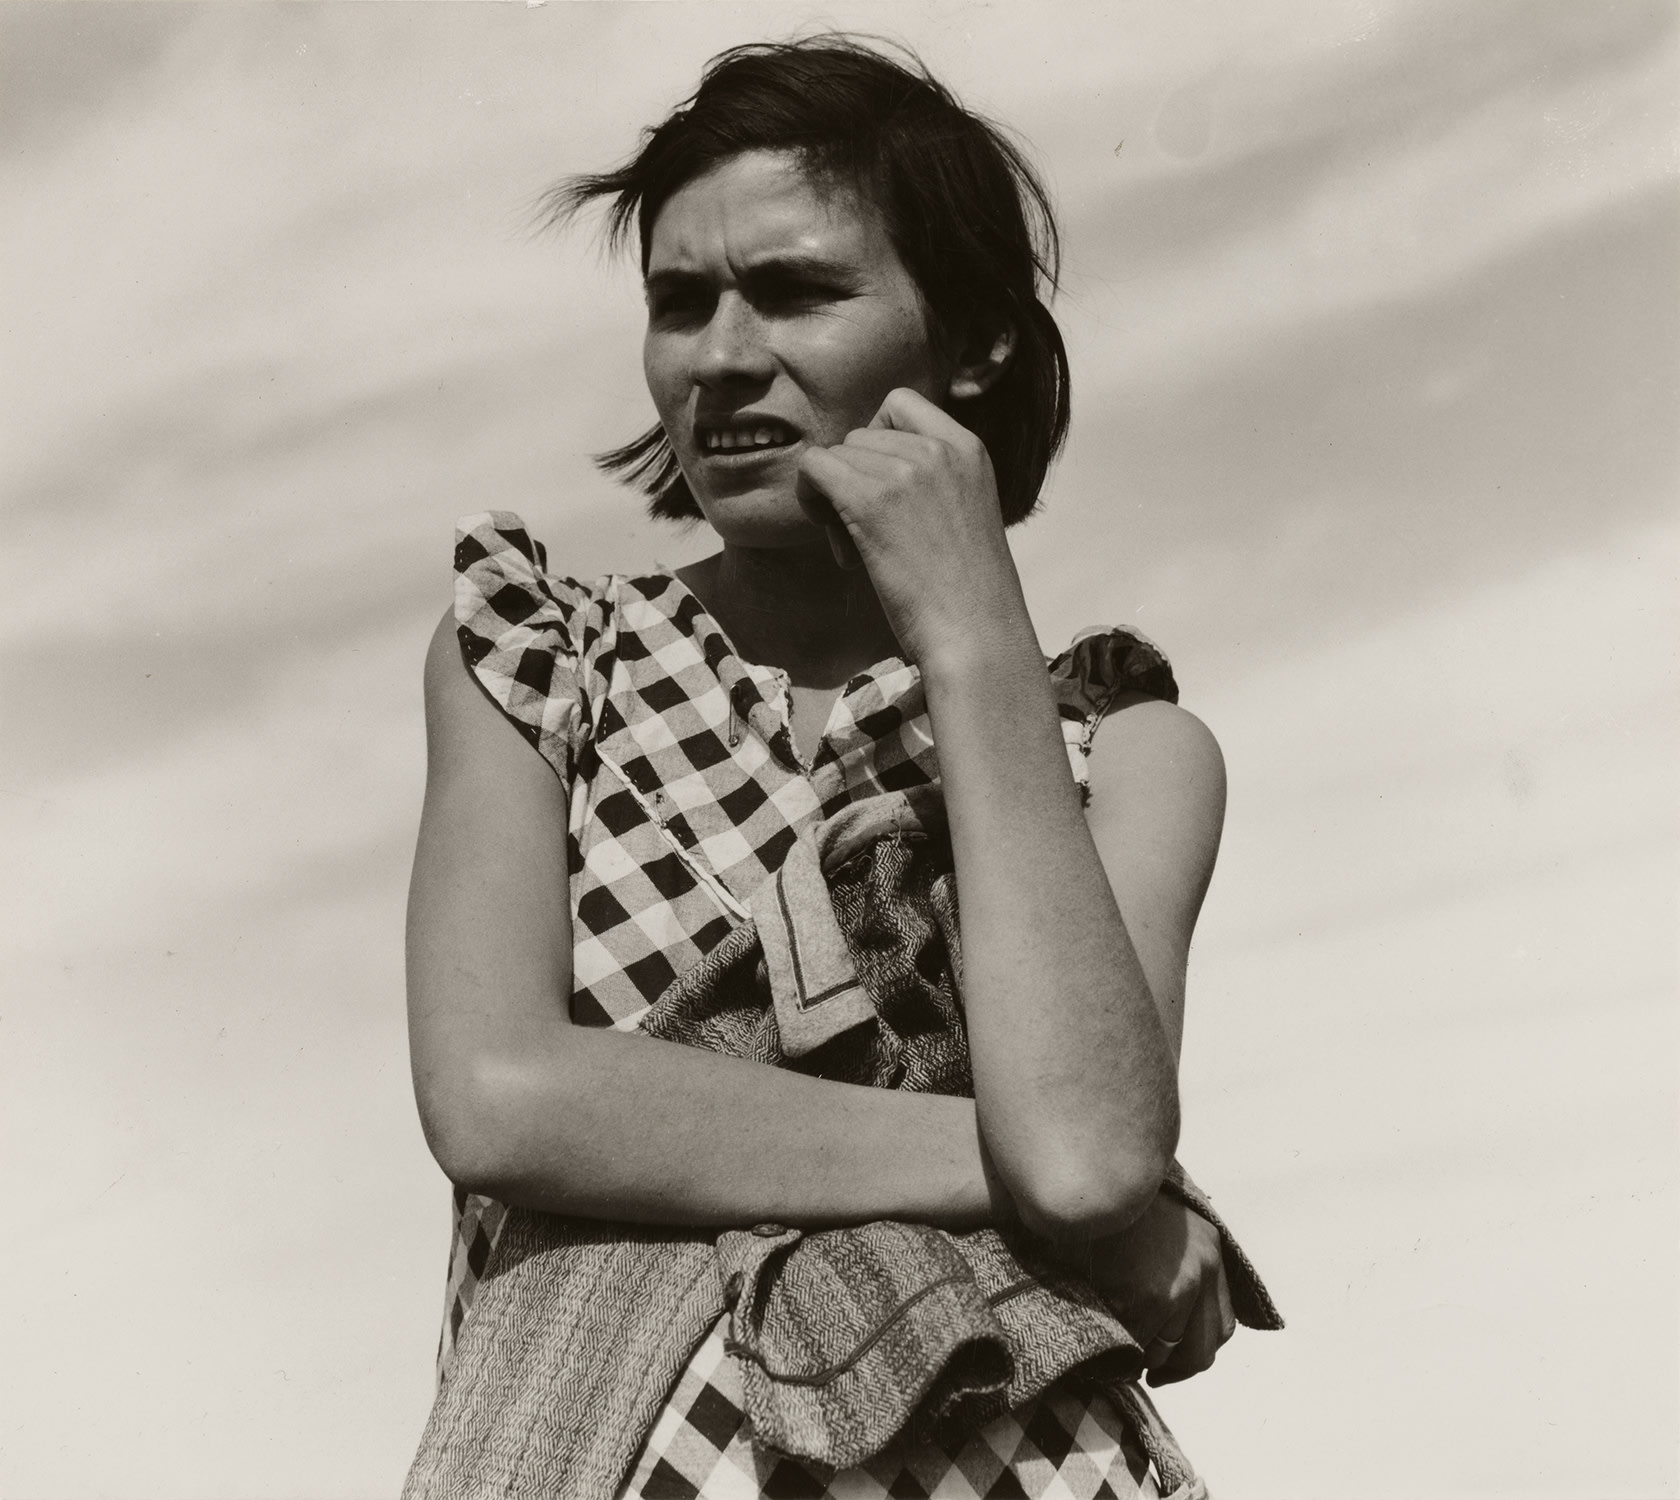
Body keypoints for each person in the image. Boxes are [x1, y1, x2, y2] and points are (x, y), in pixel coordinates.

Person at [402, 37, 1278, 1500]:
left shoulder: (1125, 756)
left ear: (977, 339)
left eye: (798, 292)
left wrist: (976, 630)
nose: (725, 358)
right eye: (681, 306)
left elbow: (1086, 1149)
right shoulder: (545, 657)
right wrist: (1096, 1208)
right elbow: (501, 1095)